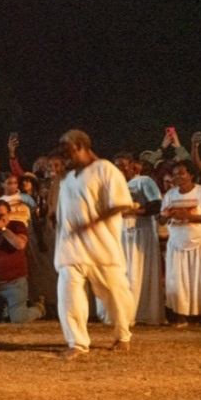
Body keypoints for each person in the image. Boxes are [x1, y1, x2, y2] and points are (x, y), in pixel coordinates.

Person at [53, 129, 137, 360]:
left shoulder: (105, 169)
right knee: (68, 293)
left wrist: (92, 222)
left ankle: (123, 335)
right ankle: (77, 342)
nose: (64, 156)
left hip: (101, 246)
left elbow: (122, 203)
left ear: (81, 146)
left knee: (114, 293)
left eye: (67, 151)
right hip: (70, 246)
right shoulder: (68, 177)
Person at [160, 161, 201, 328]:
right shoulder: (170, 194)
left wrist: (189, 217)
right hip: (178, 241)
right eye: (175, 174)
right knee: (179, 279)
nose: (177, 177)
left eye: (181, 173)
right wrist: (165, 216)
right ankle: (181, 317)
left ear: (191, 175)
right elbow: (161, 219)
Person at [109, 153, 164, 327]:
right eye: (116, 166)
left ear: (133, 166)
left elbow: (156, 205)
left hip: (141, 232)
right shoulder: (115, 184)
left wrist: (135, 211)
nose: (120, 169)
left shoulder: (144, 181)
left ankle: (142, 312)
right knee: (123, 272)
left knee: (138, 271)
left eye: (122, 165)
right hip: (121, 232)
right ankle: (122, 313)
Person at [0, 199, 42, 323]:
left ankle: (39, 309)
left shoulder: (17, 225)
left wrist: (3, 229)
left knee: (19, 319)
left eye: (2, 215)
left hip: (14, 283)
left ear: (9, 214)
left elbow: (20, 244)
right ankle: (6, 309)